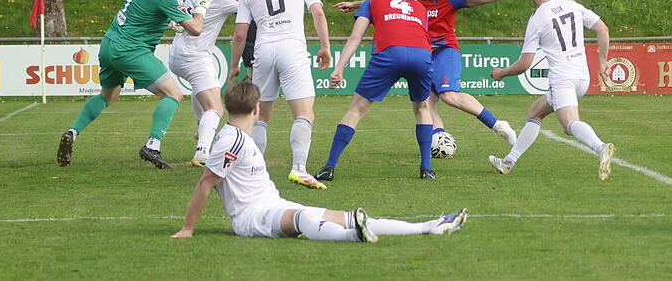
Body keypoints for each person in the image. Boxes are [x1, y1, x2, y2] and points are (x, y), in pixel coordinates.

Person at [171, 81, 469, 242]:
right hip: (252, 218)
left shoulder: (238, 137)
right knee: (304, 220)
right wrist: (188, 228)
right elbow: (205, 183)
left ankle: (427, 227)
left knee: (350, 215)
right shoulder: (232, 139)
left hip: (273, 205)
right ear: (256, 109)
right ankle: (356, 237)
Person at [334, 0, 523, 153]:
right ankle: (439, 139)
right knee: (426, 102)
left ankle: (498, 125)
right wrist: (355, 4)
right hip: (420, 53)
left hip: (444, 50)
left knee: (449, 96)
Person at [56, 0, 212, 169]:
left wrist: (168, 23)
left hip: (110, 44)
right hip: (131, 50)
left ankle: (72, 132)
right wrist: (202, 7)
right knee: (174, 94)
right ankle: (153, 145)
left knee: (108, 95)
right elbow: (196, 28)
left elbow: (142, 12)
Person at [488, 0, 615, 180]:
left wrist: (502, 73)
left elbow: (525, 63)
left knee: (569, 125)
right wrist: (602, 61)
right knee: (535, 112)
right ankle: (508, 162)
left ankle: (601, 147)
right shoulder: (571, 5)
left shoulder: (537, 19)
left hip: (562, 79)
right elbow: (602, 28)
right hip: (582, 77)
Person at [228, 0, 331, 189]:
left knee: (261, 116)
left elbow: (240, 34)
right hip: (292, 48)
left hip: (264, 50)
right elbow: (317, 13)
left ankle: (254, 169)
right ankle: (299, 168)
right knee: (304, 113)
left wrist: (234, 64)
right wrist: (325, 46)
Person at [315, 0, 437, 181]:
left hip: (390, 53)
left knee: (357, 108)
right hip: (421, 55)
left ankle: (329, 167)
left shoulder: (373, 1)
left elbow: (356, 36)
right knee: (422, 107)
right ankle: (426, 168)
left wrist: (339, 68)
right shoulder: (420, 7)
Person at [169, 0, 240, 167]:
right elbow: (254, 6)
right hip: (195, 56)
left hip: (177, 53)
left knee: (202, 90)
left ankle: (204, 132)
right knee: (216, 108)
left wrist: (173, 19)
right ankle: (203, 152)